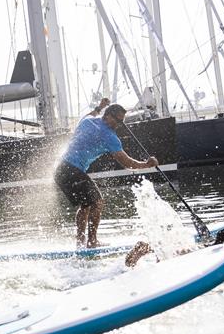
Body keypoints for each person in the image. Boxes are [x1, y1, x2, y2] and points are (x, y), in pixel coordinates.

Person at [54, 103, 158, 248]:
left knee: (86, 204)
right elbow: (127, 163)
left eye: (122, 121)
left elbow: (90, 114)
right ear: (108, 116)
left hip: (59, 170)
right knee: (97, 202)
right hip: (71, 169)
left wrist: (100, 106)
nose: (120, 124)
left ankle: (80, 242)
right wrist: (146, 165)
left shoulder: (87, 121)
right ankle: (92, 242)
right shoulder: (109, 136)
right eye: (118, 120)